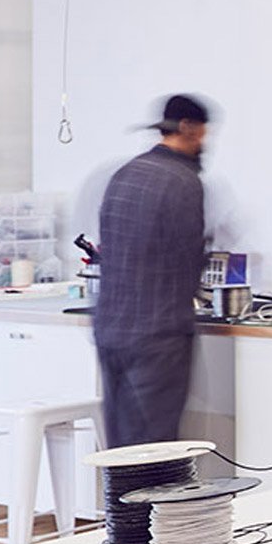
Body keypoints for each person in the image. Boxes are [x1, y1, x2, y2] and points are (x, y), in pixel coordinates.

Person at [95, 94, 213, 447]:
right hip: (157, 336)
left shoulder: (125, 174)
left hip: (110, 329)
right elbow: (186, 259)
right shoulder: (184, 182)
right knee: (154, 448)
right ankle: (150, 506)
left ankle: (120, 505)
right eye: (204, 133)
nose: (205, 142)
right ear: (190, 129)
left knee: (121, 448)